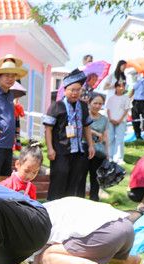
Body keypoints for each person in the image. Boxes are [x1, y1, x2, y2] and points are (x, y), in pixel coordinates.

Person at [33, 197, 139, 264]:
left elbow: (36, 256)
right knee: (77, 249)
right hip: (126, 226)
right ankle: (127, 261)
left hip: (104, 234)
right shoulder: (52, 206)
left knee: (46, 255)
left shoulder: (38, 221)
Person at [44, 69, 96, 201]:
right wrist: (50, 148)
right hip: (60, 151)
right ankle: (52, 209)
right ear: (65, 90)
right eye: (72, 89)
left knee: (75, 183)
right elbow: (48, 129)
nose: (75, 93)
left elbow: (87, 127)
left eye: (78, 90)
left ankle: (71, 211)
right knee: (59, 180)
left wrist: (90, 145)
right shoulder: (56, 106)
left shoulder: (83, 106)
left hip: (78, 151)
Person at [86, 93, 110, 201]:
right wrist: (95, 133)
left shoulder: (104, 119)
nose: (97, 106)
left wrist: (108, 154)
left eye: (100, 104)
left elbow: (106, 137)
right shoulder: (84, 115)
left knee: (95, 179)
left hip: (98, 153)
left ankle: (94, 201)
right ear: (89, 102)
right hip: (83, 151)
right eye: (95, 103)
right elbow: (82, 128)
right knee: (80, 177)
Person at [105, 79, 131, 165]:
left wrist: (120, 120)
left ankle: (119, 158)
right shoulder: (111, 98)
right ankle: (110, 156)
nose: (121, 88)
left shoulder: (126, 98)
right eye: (119, 86)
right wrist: (110, 119)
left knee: (120, 139)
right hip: (111, 121)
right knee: (111, 138)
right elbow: (108, 109)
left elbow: (126, 110)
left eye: (123, 86)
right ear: (115, 87)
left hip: (121, 122)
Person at [129, 71, 144, 142]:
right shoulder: (137, 78)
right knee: (135, 119)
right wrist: (127, 98)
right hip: (136, 101)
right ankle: (138, 136)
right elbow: (133, 89)